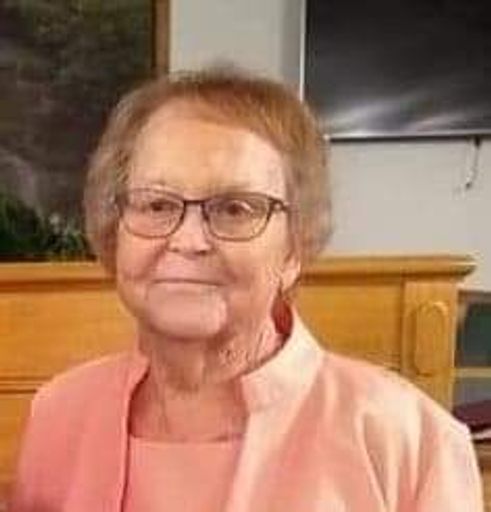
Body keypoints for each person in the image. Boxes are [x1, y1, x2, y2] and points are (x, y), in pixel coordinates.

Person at [11, 68, 483, 512]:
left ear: (294, 247)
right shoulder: (60, 415)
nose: (189, 240)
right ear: (114, 233)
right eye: (156, 204)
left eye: (235, 208)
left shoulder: (409, 440)